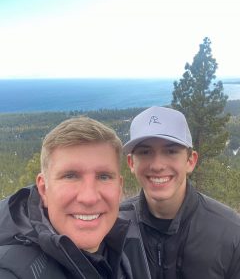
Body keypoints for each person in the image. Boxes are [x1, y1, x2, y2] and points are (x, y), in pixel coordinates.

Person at [0, 116, 133, 279]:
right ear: (43, 189)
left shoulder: (122, 244)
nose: (89, 198)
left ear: (119, 188)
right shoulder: (13, 270)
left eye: (104, 177)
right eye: (70, 176)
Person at [119, 106, 240, 279]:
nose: (157, 165)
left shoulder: (231, 234)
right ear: (131, 163)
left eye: (171, 151)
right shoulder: (114, 225)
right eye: (145, 152)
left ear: (191, 161)